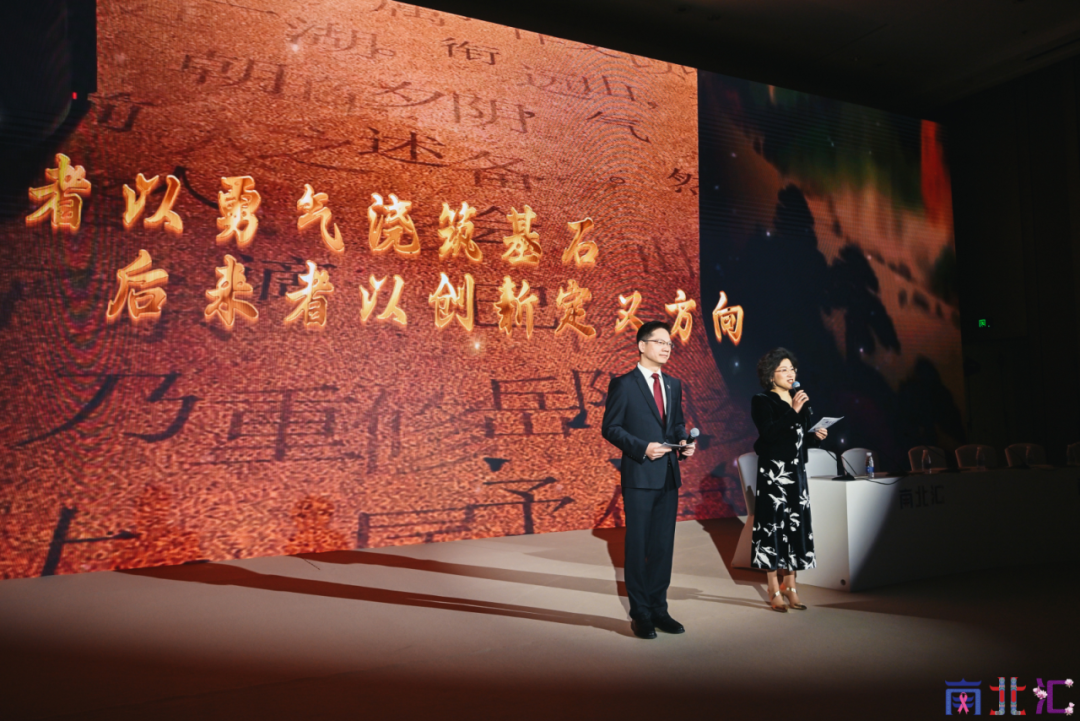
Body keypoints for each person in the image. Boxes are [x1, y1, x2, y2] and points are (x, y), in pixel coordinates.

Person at [601, 321, 696, 639]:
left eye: (669, 343)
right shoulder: (624, 384)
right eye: (660, 342)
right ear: (642, 346)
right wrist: (643, 448)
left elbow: (677, 423)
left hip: (668, 475)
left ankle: (659, 609)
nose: (666, 348)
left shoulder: (673, 384)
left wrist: (683, 443)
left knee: (662, 547)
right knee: (638, 545)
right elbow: (611, 428)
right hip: (640, 476)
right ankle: (640, 612)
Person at [750, 348, 827, 612]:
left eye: (792, 368)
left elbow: (797, 438)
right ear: (770, 375)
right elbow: (770, 434)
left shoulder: (798, 398)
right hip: (773, 474)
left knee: (795, 527)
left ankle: (791, 586)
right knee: (772, 528)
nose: (790, 373)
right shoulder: (762, 400)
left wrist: (814, 437)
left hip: (796, 472)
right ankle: (773, 587)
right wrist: (793, 410)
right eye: (783, 369)